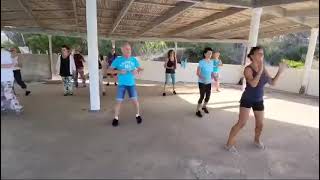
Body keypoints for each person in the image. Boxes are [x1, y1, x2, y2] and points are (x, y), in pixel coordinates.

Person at [225, 46, 287, 153]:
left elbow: (272, 82)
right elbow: (253, 84)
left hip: (258, 99)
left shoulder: (264, 69)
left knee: (260, 124)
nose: (261, 55)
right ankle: (229, 144)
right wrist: (260, 71)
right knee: (241, 123)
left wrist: (279, 72)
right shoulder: (248, 69)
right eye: (259, 53)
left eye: (262, 53)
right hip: (247, 99)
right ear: (252, 56)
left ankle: (256, 140)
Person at [110, 42, 143, 127]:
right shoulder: (118, 60)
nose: (129, 51)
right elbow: (108, 70)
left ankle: (137, 115)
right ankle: (116, 118)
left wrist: (137, 71)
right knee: (118, 102)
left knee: (135, 101)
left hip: (131, 84)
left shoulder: (134, 60)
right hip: (122, 84)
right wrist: (119, 71)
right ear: (122, 50)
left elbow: (140, 68)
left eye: (130, 49)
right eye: (127, 49)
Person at [1, 47, 23, 114]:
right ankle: (3, 106)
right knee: (4, 93)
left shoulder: (8, 54)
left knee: (8, 92)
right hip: (7, 77)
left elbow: (18, 64)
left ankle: (17, 106)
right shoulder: (9, 54)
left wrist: (10, 65)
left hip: (6, 77)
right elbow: (18, 65)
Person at [196, 47, 214, 118]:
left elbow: (211, 72)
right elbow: (198, 73)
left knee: (208, 96)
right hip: (202, 82)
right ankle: (197, 110)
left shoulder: (211, 62)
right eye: (209, 53)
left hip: (209, 82)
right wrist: (203, 78)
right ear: (205, 54)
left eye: (211, 53)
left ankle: (204, 106)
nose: (210, 55)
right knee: (202, 96)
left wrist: (214, 77)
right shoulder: (201, 62)